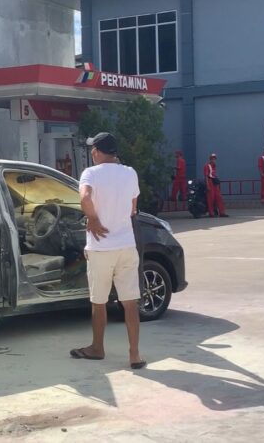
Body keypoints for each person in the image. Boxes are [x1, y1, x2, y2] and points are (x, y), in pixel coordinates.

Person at [70, 132, 146, 370]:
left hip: (100, 247)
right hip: (126, 245)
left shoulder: (90, 173)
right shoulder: (130, 172)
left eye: (92, 150)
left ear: (96, 151)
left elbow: (85, 197)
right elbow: (133, 209)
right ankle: (134, 355)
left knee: (99, 301)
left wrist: (92, 218)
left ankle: (97, 348)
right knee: (130, 302)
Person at [203, 153, 228, 217]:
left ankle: (222, 212)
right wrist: (207, 185)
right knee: (211, 198)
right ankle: (211, 213)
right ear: (210, 159)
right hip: (210, 181)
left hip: (214, 182)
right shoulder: (207, 166)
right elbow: (206, 176)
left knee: (219, 197)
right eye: (213, 158)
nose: (214, 160)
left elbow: (213, 174)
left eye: (214, 159)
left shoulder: (214, 166)